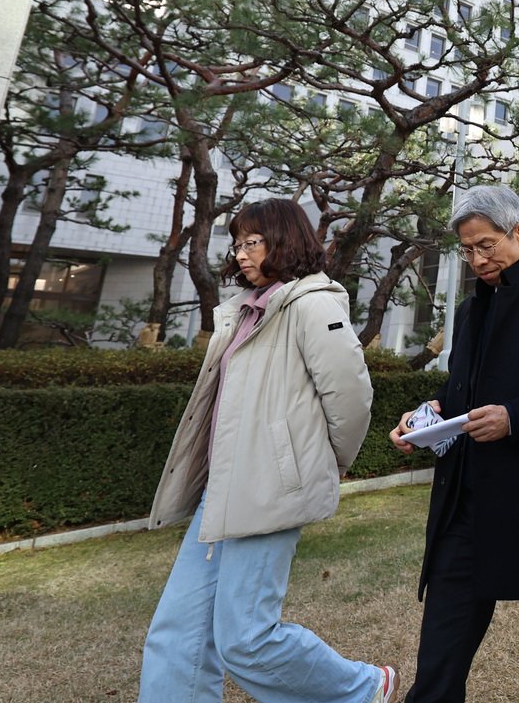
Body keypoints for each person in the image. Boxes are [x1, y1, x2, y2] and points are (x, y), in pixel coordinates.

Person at [140, 199, 392, 703]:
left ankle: (364, 690)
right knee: (178, 631)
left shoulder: (312, 303)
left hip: (270, 489)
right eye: (237, 243)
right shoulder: (247, 309)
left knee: (246, 640)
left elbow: (351, 398)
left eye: (251, 242)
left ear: (284, 240)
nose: (241, 253)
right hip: (224, 489)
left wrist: (319, 464)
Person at [388, 185, 519, 703]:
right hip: (463, 508)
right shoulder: (471, 311)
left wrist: (515, 417)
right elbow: (461, 390)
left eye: (487, 244)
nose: (477, 259)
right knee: (437, 667)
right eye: (467, 249)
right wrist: (423, 414)